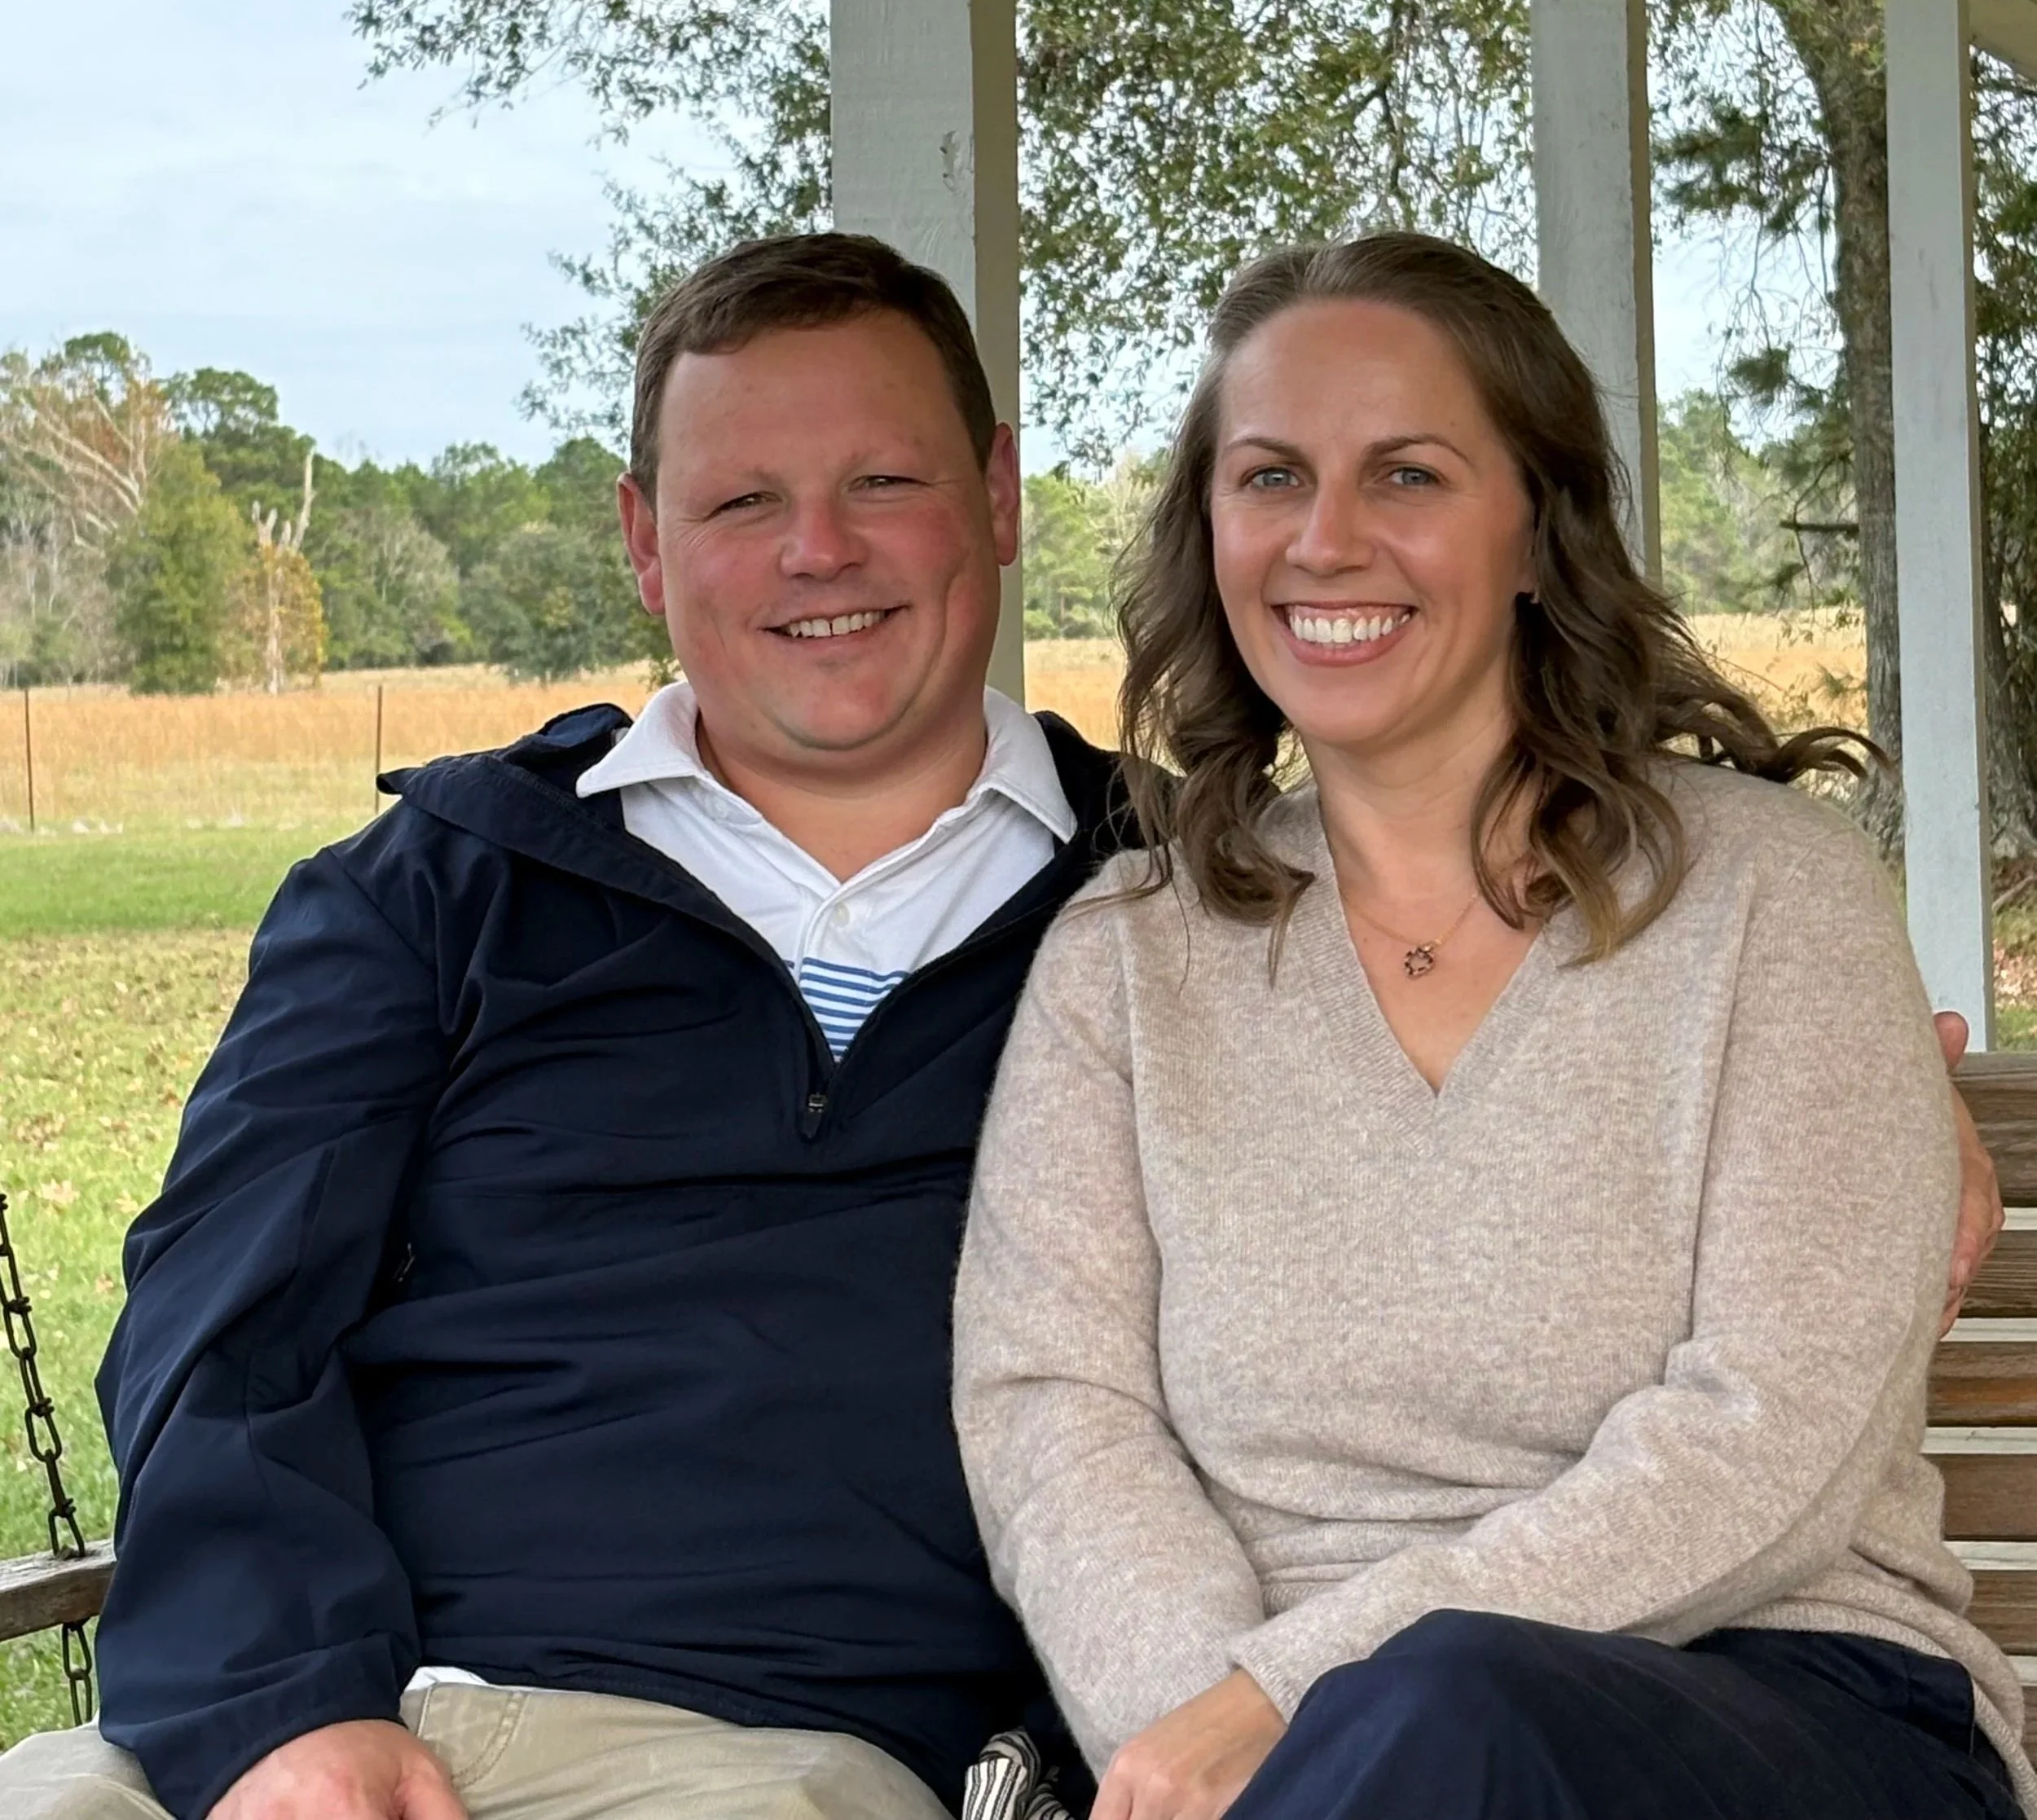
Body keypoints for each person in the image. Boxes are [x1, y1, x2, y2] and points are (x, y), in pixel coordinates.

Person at [0, 230, 2000, 1820]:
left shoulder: (1130, 885)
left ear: (997, 497)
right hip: (338, 1726)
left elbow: (1760, 1392)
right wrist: (278, 1703)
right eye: (743, 500)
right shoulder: (476, 887)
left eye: (880, 483)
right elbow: (220, 1323)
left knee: (1445, 1716)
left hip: (832, 1754)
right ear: (639, 539)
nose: (818, 551)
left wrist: (1260, 1709)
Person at [951, 231, 2035, 1820]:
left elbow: (1767, 1436)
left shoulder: (1766, 902)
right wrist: (1207, 1724)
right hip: (1287, 1765)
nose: (1323, 539)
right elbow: (1057, 1415)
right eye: (1266, 477)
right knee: (1420, 1731)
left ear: (1536, 526)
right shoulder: (1126, 960)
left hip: (1784, 1702)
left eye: (1402, 475)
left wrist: (1286, 1694)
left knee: (1450, 1708)